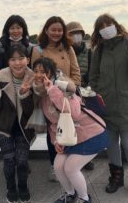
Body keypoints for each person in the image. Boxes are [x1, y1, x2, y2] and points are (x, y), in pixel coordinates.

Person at [89, 14, 128, 199]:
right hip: (106, 105)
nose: (106, 28)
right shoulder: (98, 50)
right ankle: (116, 178)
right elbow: (93, 77)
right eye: (102, 26)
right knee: (111, 144)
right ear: (98, 32)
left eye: (109, 24)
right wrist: (96, 97)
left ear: (116, 25)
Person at [32, 57, 107, 203]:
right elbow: (53, 124)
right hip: (71, 138)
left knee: (71, 168)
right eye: (36, 71)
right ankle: (70, 194)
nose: (39, 74)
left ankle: (84, 198)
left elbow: (74, 113)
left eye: (43, 71)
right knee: (58, 166)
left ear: (52, 73)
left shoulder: (64, 88)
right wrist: (56, 141)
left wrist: (52, 89)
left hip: (91, 133)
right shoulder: (41, 95)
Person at [30, 16, 81, 181]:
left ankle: (72, 164)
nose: (56, 33)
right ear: (46, 30)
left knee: (71, 128)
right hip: (48, 98)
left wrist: (71, 88)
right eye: (53, 29)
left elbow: (76, 72)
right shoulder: (38, 49)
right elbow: (35, 75)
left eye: (60, 30)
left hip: (67, 96)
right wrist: (48, 89)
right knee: (53, 132)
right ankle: (55, 165)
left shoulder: (68, 48)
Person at [0, 44, 35, 203]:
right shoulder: (1, 75)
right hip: (3, 126)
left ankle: (23, 186)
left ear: (28, 59)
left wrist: (24, 93)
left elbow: (30, 111)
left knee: (21, 161)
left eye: (21, 58)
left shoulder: (32, 76)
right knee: (9, 159)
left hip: (24, 126)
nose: (18, 63)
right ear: (8, 61)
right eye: (13, 59)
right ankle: (10, 188)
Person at [66, 21, 94, 171]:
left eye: (78, 33)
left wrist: (84, 85)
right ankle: (71, 154)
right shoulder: (64, 51)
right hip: (68, 94)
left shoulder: (89, 52)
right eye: (72, 33)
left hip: (85, 93)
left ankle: (85, 157)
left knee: (84, 126)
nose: (76, 37)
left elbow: (93, 72)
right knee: (70, 126)